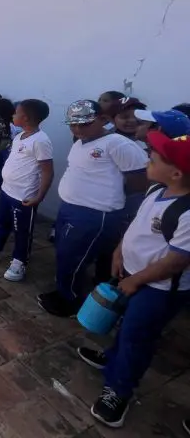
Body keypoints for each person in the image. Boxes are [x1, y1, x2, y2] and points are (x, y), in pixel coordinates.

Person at [76, 131, 190, 429]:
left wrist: (137, 280)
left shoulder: (187, 211)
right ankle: (111, 358)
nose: (150, 153)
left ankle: (119, 390)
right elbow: (137, 227)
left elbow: (175, 261)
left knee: (138, 338)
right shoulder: (156, 191)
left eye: (157, 156)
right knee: (125, 327)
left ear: (177, 172)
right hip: (133, 275)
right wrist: (118, 251)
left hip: (158, 288)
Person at [37, 100, 148, 317]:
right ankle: (65, 291)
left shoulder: (117, 143)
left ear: (103, 120)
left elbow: (140, 179)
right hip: (71, 208)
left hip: (95, 214)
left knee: (74, 258)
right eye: (73, 125)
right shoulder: (81, 143)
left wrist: (112, 197)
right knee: (65, 253)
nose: (78, 129)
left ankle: (69, 301)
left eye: (85, 124)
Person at [0, 99, 54, 282]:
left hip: (24, 196)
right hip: (7, 191)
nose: (12, 115)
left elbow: (47, 171)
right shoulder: (20, 136)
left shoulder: (41, 141)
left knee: (22, 231)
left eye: (16, 113)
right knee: (2, 223)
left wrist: (39, 196)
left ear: (25, 117)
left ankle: (19, 261)